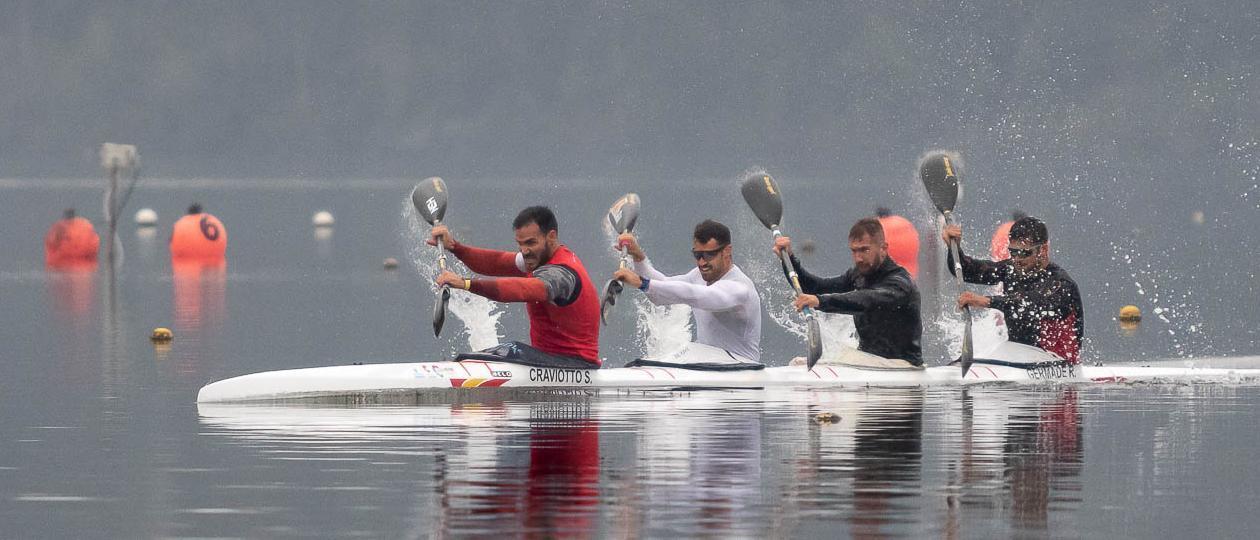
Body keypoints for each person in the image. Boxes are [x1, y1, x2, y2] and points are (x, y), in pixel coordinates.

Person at [430, 206, 601, 367]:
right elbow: (495, 263)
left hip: (574, 365)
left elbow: (522, 290)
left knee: (510, 349)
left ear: (551, 237)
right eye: (520, 244)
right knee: (505, 351)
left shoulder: (562, 275)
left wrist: (465, 283)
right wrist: (454, 247)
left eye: (530, 243)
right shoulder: (537, 258)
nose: (524, 251)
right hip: (548, 361)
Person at [775, 217, 923, 366]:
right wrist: (789, 259)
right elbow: (815, 287)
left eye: (864, 250)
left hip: (902, 365)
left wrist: (819, 301)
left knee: (816, 367)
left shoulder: (900, 283)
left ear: (883, 248)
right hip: (869, 360)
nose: (858, 258)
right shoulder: (858, 275)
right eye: (854, 251)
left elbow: (865, 300)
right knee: (798, 365)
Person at [611, 219, 762, 363]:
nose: (702, 262)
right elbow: (661, 293)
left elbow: (699, 296)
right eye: (698, 255)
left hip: (742, 367)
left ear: (727, 251)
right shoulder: (698, 276)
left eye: (709, 255)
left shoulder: (739, 288)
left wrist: (642, 282)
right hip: (708, 363)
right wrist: (638, 257)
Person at [943, 216, 1084, 363]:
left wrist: (986, 301)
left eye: (1024, 253)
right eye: (1013, 252)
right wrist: (954, 248)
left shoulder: (1062, 284)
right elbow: (968, 270)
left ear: (1043, 249)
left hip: (1055, 361)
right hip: (1016, 353)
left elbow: (1028, 302)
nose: (1017, 259)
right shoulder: (1012, 269)